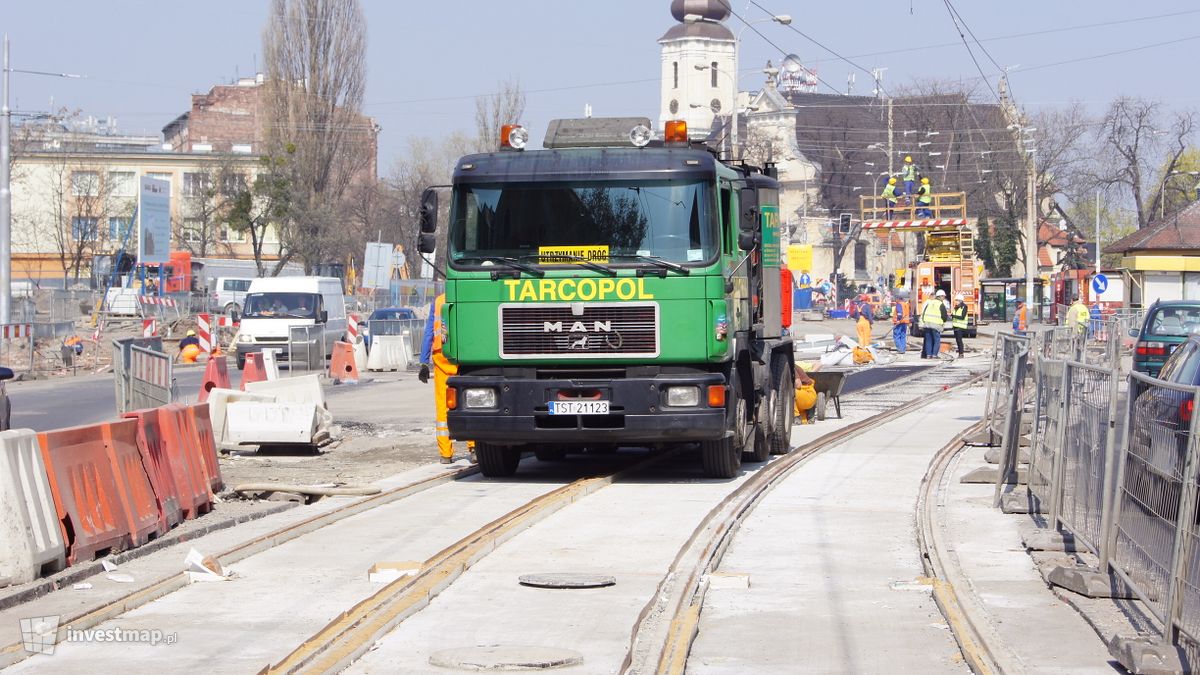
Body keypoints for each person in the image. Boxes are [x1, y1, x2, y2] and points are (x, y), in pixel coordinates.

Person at [419, 294, 475, 465]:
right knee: (469, 401)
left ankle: (445, 454)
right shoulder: (467, 295)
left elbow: (430, 332)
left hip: (441, 356)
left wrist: (423, 361)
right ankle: (474, 448)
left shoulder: (438, 301)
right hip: (463, 356)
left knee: (443, 405)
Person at [920, 289, 949, 359]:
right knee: (936, 340)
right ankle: (934, 355)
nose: (944, 298)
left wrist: (923, 322)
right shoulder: (940, 304)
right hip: (936, 324)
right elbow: (944, 316)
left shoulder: (929, 303)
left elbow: (923, 313)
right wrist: (943, 322)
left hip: (927, 324)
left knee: (928, 340)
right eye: (943, 297)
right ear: (940, 296)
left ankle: (928, 355)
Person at [951, 294, 969, 358]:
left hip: (961, 326)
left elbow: (962, 317)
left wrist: (954, 316)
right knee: (957, 340)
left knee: (959, 340)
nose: (956, 301)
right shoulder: (956, 307)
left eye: (957, 300)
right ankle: (960, 353)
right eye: (956, 300)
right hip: (956, 326)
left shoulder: (964, 307)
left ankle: (961, 354)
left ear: (960, 301)